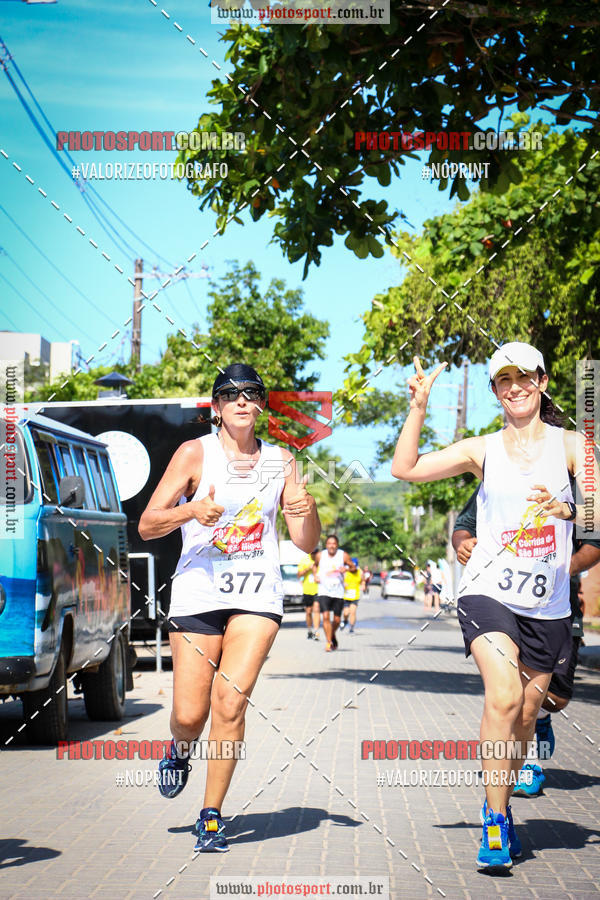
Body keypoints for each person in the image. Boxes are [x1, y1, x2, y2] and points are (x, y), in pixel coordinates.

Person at [391, 343, 599, 871]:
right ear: (494, 391)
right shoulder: (481, 449)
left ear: (543, 381)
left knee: (528, 715)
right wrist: (418, 407)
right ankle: (496, 821)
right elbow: (405, 467)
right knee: (503, 697)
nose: (515, 387)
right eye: (504, 380)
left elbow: (596, 517)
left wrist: (569, 508)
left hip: (548, 602)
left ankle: (498, 795)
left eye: (524, 377)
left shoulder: (575, 445)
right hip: (487, 590)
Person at [138, 363, 320, 853]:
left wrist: (306, 512)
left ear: (260, 405)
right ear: (216, 408)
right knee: (190, 715)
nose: (242, 400)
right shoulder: (194, 454)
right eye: (231, 394)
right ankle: (179, 750)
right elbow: (148, 524)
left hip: (257, 597)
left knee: (231, 702)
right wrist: (191, 510)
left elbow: (305, 543)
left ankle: (211, 814)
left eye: (252, 393)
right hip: (198, 594)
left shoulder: (283, 461)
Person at [453, 485, 600, 796]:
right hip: (499, 599)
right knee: (511, 695)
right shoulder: (498, 470)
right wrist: (463, 543)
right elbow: (464, 525)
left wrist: (564, 568)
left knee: (554, 698)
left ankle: (541, 717)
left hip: (555, 604)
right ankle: (529, 762)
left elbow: (595, 541)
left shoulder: (577, 485)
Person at [314, 535, 356, 652]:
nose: (331, 546)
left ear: (337, 545)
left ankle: (331, 634)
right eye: (329, 543)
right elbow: (314, 566)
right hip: (324, 590)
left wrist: (347, 569)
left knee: (337, 620)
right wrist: (316, 576)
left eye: (334, 543)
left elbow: (354, 568)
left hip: (338, 591)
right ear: (326, 545)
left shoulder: (343, 555)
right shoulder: (320, 555)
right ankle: (328, 643)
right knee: (326, 616)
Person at [298, 549, 320, 639]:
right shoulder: (304, 560)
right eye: (312, 553)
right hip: (307, 590)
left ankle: (316, 631)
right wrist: (308, 568)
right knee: (308, 611)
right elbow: (299, 575)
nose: (314, 555)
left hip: (318, 589)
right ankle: (309, 630)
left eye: (315, 553)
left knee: (316, 609)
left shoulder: (320, 561)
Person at [341, 557, 364, 633]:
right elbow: (340, 580)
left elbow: (363, 581)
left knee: (353, 612)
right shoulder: (345, 571)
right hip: (346, 595)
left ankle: (351, 628)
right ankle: (345, 620)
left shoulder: (360, 572)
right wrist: (343, 583)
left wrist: (363, 585)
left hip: (355, 595)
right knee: (346, 613)